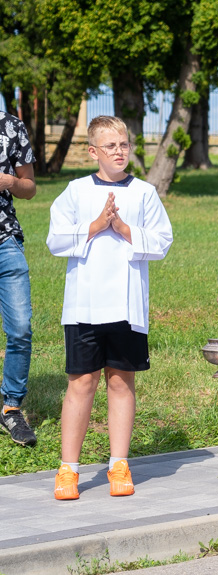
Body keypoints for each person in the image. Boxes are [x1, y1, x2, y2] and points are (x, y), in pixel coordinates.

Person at [47, 116, 173, 500]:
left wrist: (123, 230)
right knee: (82, 383)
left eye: (124, 145)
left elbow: (162, 241)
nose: (119, 152)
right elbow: (55, 240)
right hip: (84, 306)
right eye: (111, 146)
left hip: (127, 304)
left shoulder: (145, 193)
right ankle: (69, 468)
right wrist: (98, 224)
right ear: (93, 152)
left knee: (121, 381)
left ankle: (119, 462)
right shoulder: (74, 191)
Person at [0, 111, 37, 447]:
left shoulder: (11, 126)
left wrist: (10, 182)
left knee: (21, 329)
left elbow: (29, 187)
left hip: (5, 243)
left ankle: (10, 407)